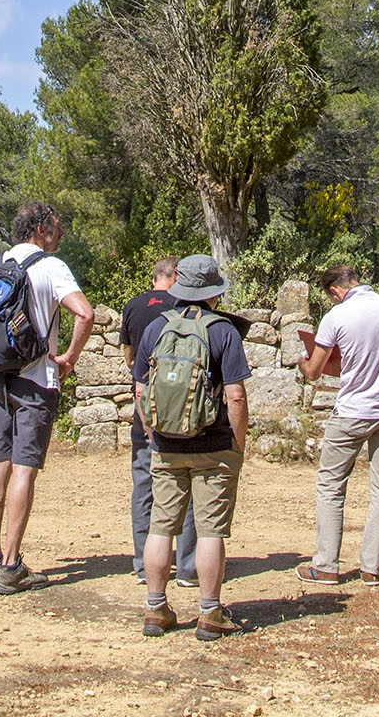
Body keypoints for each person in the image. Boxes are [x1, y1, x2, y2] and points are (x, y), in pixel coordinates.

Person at [0, 201, 94, 595]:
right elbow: (85, 314)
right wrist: (68, 359)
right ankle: (11, 566)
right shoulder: (51, 267)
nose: (60, 234)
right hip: (36, 381)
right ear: (40, 230)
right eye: (56, 227)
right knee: (24, 469)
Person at [130, 254, 250, 640]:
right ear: (214, 293)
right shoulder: (224, 331)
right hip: (214, 445)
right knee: (210, 531)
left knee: (161, 526)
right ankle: (210, 613)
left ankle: (155, 609)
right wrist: (238, 444)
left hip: (166, 445)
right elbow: (236, 397)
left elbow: (140, 389)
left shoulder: (156, 327)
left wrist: (153, 432)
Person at [294, 264, 379, 586]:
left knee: (331, 486)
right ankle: (372, 568)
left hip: (352, 412)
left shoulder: (337, 316)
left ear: (335, 291)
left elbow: (314, 371)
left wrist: (302, 361)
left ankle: (326, 566)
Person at [119, 255, 197, 587]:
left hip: (145, 402)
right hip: (184, 405)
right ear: (176, 276)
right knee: (188, 479)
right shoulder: (187, 308)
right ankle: (188, 567)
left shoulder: (133, 306)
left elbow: (129, 357)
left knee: (144, 481)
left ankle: (143, 565)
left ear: (154, 277)